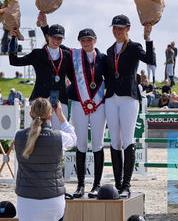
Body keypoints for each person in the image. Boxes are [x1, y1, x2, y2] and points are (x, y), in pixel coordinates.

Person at [105, 14, 154, 197]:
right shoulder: (109, 50)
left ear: (128, 29)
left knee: (127, 138)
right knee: (114, 141)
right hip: (111, 97)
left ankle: (126, 184)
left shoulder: (134, 47)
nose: (117, 31)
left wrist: (148, 38)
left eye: (120, 28)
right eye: (114, 28)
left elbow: (150, 60)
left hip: (128, 97)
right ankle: (117, 183)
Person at [14, 98, 76, 221]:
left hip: (26, 201)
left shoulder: (18, 136)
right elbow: (74, 138)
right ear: (50, 115)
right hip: (53, 200)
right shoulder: (59, 137)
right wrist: (61, 116)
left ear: (30, 114)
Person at [10, 13, 73, 129]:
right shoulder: (37, 54)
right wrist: (13, 39)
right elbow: (14, 61)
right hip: (40, 99)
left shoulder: (67, 55)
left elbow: (73, 77)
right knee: (38, 133)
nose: (57, 40)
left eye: (59, 38)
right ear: (48, 37)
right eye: (54, 37)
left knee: (60, 135)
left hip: (61, 100)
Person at [68, 28, 107, 198]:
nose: (86, 43)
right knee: (81, 144)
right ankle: (81, 185)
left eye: (89, 40)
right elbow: (54, 44)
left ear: (95, 40)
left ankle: (97, 184)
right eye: (83, 40)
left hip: (98, 104)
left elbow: (110, 78)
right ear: (79, 42)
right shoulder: (74, 58)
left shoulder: (104, 58)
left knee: (97, 143)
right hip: (79, 103)